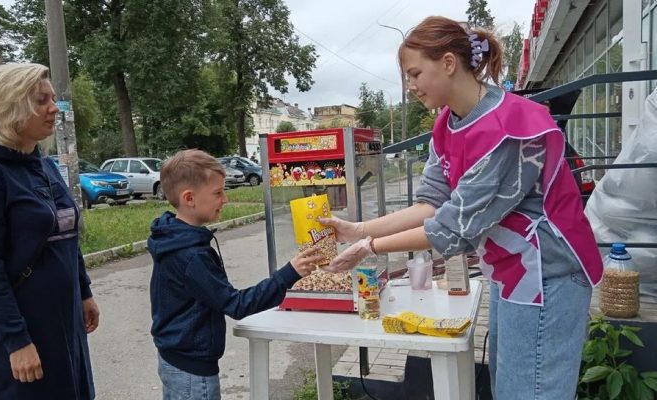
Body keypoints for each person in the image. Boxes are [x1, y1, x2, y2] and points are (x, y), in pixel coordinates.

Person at [319, 16, 603, 399]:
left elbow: (453, 229)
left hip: (548, 275)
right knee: (512, 389)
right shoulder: (447, 125)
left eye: (415, 73)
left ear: (449, 63)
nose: (410, 86)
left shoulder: (509, 128)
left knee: (530, 392)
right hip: (513, 272)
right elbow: (431, 204)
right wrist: (359, 229)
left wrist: (368, 249)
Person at [0, 63, 99, 399]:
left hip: (65, 324)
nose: (53, 109)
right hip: (21, 330)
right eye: (42, 101)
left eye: (54, 100)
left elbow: (66, 234)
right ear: (11, 106)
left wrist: (84, 291)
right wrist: (16, 341)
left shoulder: (43, 165)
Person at [148, 149, 322, 400]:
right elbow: (236, 304)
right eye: (218, 193)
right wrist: (288, 274)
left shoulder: (173, 237)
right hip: (192, 371)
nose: (225, 199)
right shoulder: (191, 256)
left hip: (175, 360)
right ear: (189, 198)